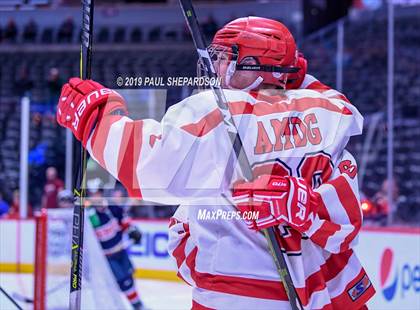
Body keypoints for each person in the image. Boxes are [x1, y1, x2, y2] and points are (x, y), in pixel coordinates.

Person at [57, 16, 374, 309]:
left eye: (228, 59)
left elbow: (147, 165)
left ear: (259, 66)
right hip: (332, 291)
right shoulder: (329, 110)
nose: (216, 69)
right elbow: (346, 221)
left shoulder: (221, 112)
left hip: (240, 293)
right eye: (217, 57)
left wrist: (96, 116)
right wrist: (301, 203)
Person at [86, 179, 144, 310]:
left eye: (97, 193)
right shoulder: (89, 214)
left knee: (128, 278)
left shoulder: (112, 208)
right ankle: (134, 306)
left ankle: (137, 305)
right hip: (106, 257)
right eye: (92, 194)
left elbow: (124, 223)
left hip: (121, 251)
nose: (95, 197)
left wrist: (132, 231)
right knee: (121, 281)